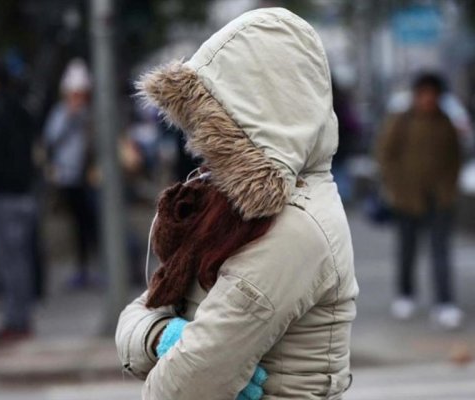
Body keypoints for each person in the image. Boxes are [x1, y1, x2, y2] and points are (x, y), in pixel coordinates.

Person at [115, 8, 358, 399]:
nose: (202, 142)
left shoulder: (294, 229)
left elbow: (180, 389)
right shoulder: (228, 207)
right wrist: (161, 336)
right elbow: (135, 314)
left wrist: (168, 340)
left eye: (218, 120)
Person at [377, 73, 463, 329]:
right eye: (423, 93)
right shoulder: (401, 122)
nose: (428, 99)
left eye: (432, 94)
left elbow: (455, 158)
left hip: (440, 199)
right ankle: (405, 295)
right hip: (407, 199)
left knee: (441, 253)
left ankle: (445, 302)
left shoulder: (446, 123)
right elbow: (385, 155)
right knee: (407, 250)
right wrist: (396, 188)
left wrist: (449, 188)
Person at [0, 62, 36, 345]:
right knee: (19, 259)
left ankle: (16, 320)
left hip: (3, 194)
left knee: (9, 262)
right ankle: (19, 317)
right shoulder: (20, 109)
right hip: (22, 191)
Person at [44, 59, 98, 287]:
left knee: (92, 224)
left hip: (89, 177)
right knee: (77, 226)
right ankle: (82, 268)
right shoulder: (61, 114)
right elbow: (51, 139)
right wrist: (69, 117)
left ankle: (94, 267)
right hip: (68, 178)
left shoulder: (90, 114)